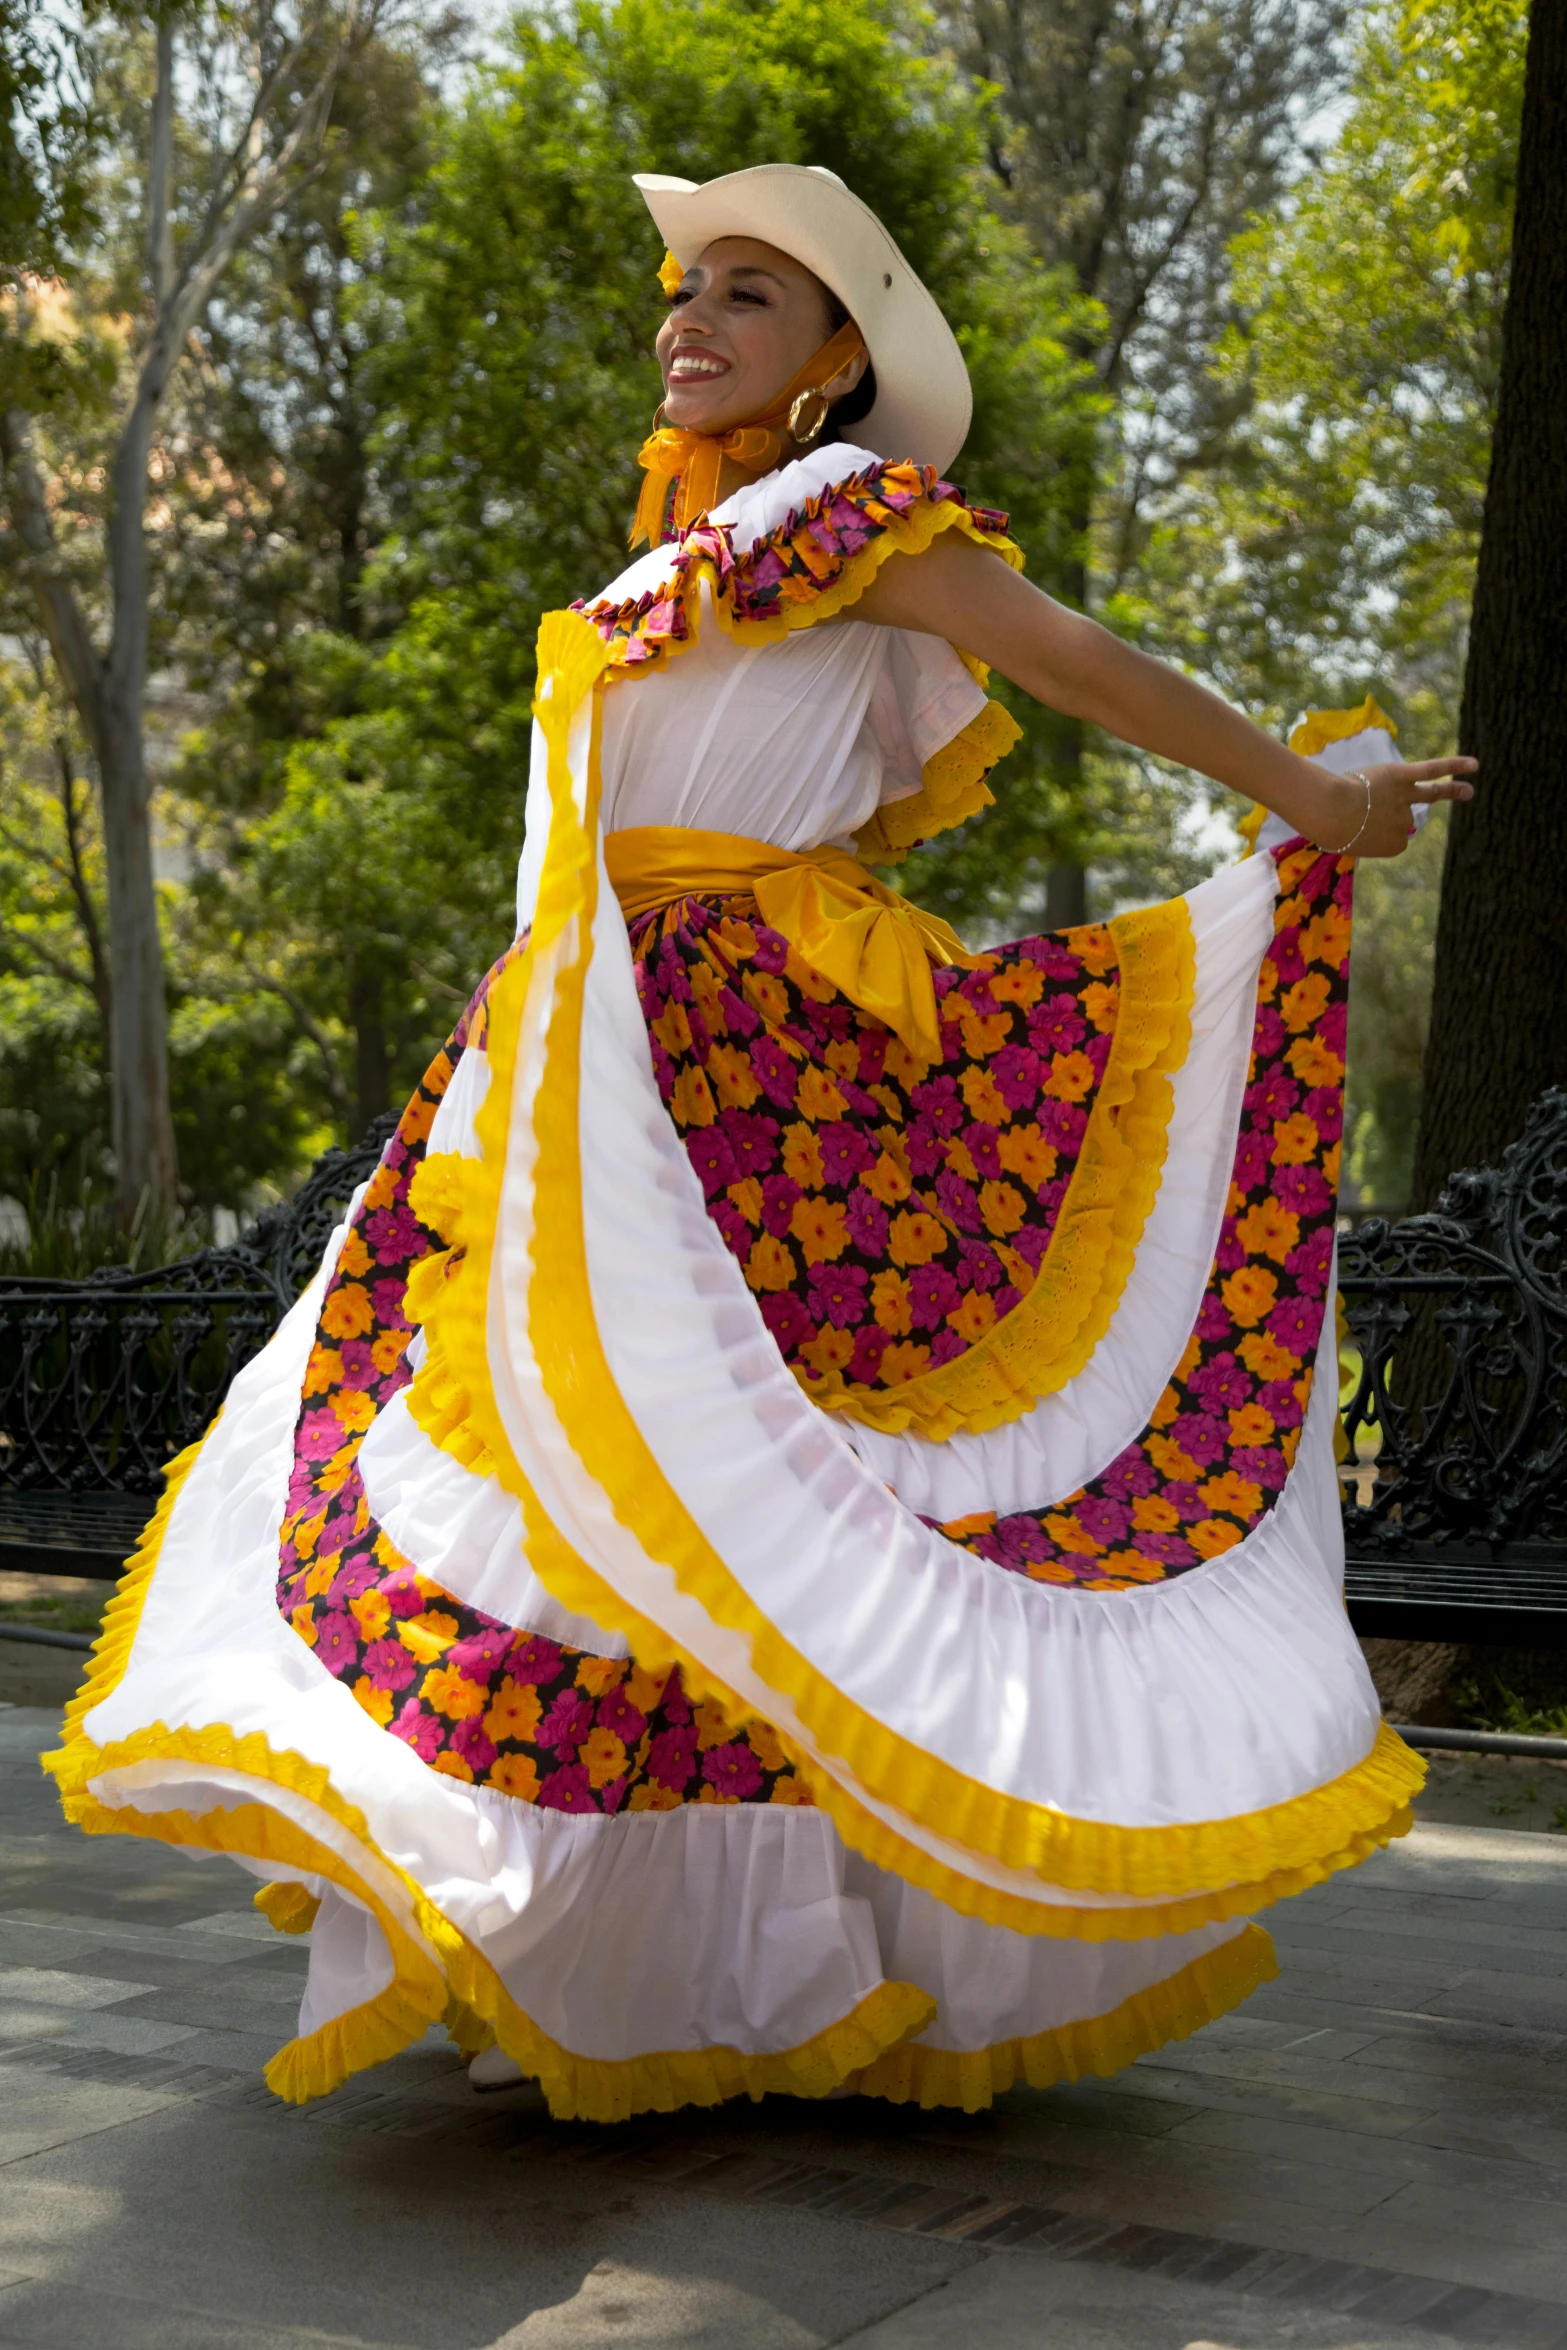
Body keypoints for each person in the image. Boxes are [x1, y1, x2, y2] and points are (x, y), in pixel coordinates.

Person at [47, 165, 1476, 2121]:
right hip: (597, 1033)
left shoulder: (849, 516)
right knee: (545, 1470)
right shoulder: (691, 555)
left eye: (751, 293)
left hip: (740, 1062)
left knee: (715, 1483)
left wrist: (1311, 787)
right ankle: (602, 1921)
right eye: (686, 285)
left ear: (832, 368)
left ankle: (768, 1939)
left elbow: (1072, 660)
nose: (691, 316)